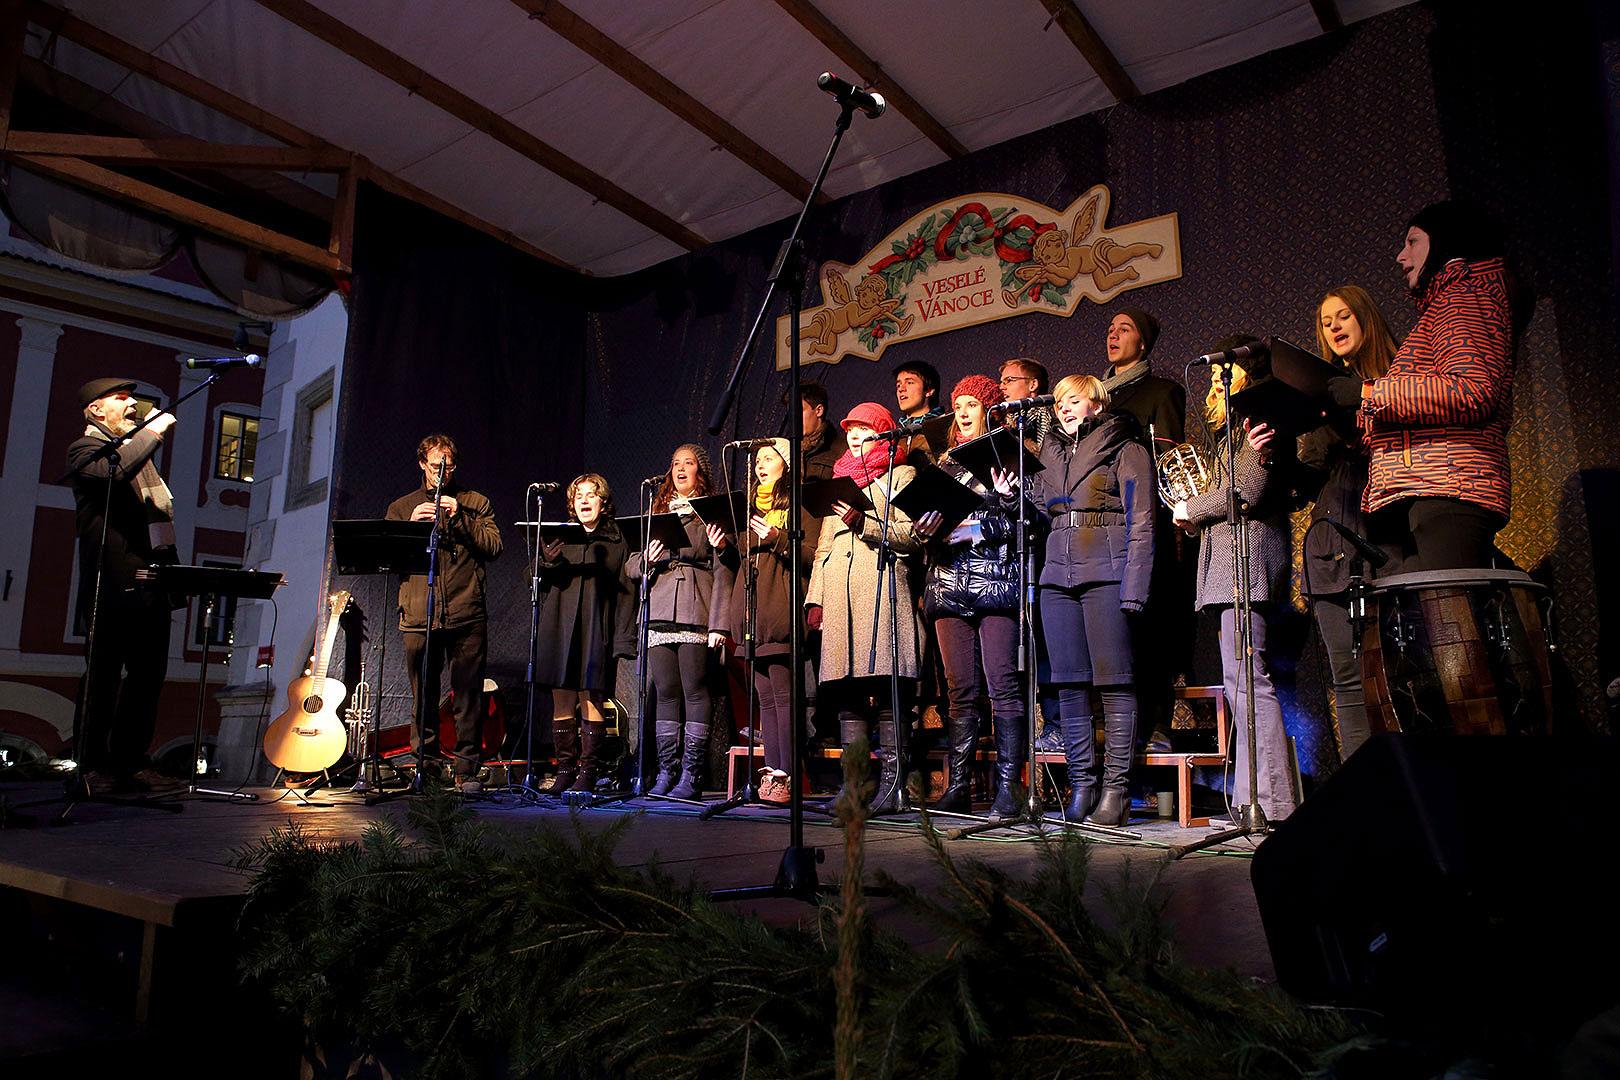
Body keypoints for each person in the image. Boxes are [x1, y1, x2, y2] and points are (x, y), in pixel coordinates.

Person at [1332, 201, 1525, 572]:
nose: (1401, 255)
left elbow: (1472, 391)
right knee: (1447, 614)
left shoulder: (1463, 295)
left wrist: (1368, 393)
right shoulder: (1444, 304)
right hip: (1432, 486)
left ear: (1445, 244)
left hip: (1450, 486)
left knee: (1454, 620)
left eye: (1413, 242)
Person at [1172, 344, 1297, 823]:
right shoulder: (1231, 436)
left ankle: (1276, 801)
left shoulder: (1257, 425)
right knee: (1238, 684)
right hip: (1228, 570)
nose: (1214, 385)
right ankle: (1251, 799)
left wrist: (1190, 509)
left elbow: (1244, 492)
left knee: (1249, 683)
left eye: (1226, 373)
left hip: (1245, 567)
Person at [1028, 375, 1155, 826]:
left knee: (1115, 683)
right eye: (1059, 401)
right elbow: (1042, 514)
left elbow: (1142, 520)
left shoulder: (1127, 447)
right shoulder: (1049, 452)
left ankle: (1116, 791)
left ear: (1097, 404)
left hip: (1107, 571)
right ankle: (1082, 785)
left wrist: (1135, 586)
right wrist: (1015, 497)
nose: (1063, 406)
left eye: (1073, 399)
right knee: (1069, 684)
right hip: (1056, 576)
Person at [913, 375, 1029, 817]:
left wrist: (984, 522)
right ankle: (958, 787)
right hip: (947, 585)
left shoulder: (1009, 457)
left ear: (989, 410)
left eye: (971, 404)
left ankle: (1008, 790)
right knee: (960, 691)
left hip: (995, 583)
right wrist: (926, 532)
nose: (961, 412)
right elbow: (929, 524)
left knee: (1002, 685)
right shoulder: (943, 466)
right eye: (957, 405)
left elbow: (1029, 520)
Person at [806, 401, 923, 814]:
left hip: (882, 590)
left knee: (889, 691)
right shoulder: (839, 478)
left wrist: (866, 524)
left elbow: (913, 536)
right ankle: (854, 789)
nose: (854, 436)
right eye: (850, 429)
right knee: (847, 694)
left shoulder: (903, 475)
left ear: (883, 434)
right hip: (840, 595)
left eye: (864, 429)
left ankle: (895, 789)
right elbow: (823, 545)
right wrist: (816, 598)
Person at [67, 378, 182, 794]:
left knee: (147, 679)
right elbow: (113, 474)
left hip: (152, 583)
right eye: (121, 399)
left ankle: (132, 764)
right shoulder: (85, 450)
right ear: (97, 411)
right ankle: (91, 768)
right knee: (101, 679)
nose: (133, 403)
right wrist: (152, 431)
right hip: (111, 587)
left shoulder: (136, 456)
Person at [1300, 286, 1397, 761]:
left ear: (1365, 319)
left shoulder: (1400, 378)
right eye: (1325, 322)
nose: (1334, 327)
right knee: (1347, 676)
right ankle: (1369, 789)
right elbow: (1310, 472)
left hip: (1389, 537)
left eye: (1343, 317)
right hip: (1331, 544)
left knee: (1396, 671)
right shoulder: (1321, 394)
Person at [385, 434, 503, 793]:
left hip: (466, 613)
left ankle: (466, 771)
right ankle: (426, 767)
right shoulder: (401, 505)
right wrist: (412, 526)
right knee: (424, 695)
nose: (442, 472)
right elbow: (388, 558)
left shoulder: (474, 502)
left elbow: (494, 546)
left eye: (449, 466)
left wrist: (460, 518)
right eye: (436, 466)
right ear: (422, 464)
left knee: (467, 696)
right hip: (420, 614)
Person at [1103, 304, 1190, 755]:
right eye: (1111, 329)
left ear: (1143, 342)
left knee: (1149, 625)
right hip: (1101, 527)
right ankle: (1116, 729)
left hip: (1142, 522)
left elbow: (1170, 465)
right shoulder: (1093, 397)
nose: (1114, 335)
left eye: (1125, 329)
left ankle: (1157, 721)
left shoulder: (1162, 391)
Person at [626, 445, 730, 799]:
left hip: (695, 606)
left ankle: (692, 775)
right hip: (658, 607)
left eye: (688, 463)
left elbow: (724, 569)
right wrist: (647, 561)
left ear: (700, 472)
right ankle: (667, 772)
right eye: (675, 464)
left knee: (694, 689)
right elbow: (630, 566)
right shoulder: (657, 513)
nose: (680, 469)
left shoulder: (711, 513)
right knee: (665, 692)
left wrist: (719, 624)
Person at [536, 474, 636, 797]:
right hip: (560, 628)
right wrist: (547, 563)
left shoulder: (616, 538)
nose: (584, 500)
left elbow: (626, 594)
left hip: (596, 627)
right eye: (578, 495)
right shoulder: (563, 536)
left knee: (590, 696)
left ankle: (588, 772)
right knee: (562, 697)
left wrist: (622, 639)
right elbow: (532, 577)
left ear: (603, 502)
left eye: (591, 495)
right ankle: (565, 770)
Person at [720, 438, 805, 804]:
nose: (760, 464)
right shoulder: (748, 509)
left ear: (786, 464)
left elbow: (813, 552)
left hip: (780, 610)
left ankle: (788, 774)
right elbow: (738, 561)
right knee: (764, 697)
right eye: (756, 459)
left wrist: (779, 538)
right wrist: (723, 545)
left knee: (783, 697)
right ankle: (772, 771)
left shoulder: (798, 503)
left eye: (769, 458)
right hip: (751, 615)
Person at [892, 359, 950, 467]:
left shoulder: (944, 427)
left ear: (929, 390)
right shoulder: (894, 435)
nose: (901, 389)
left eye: (909, 383)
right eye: (898, 385)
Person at [997, 356, 1055, 453]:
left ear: (1033, 385)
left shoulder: (1052, 428)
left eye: (1009, 380)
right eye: (1002, 382)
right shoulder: (999, 424)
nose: (1001, 387)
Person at [794, 380, 844, 482]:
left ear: (819, 410)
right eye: (790, 412)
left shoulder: (842, 449)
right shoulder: (787, 450)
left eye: (799, 410)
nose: (794, 417)